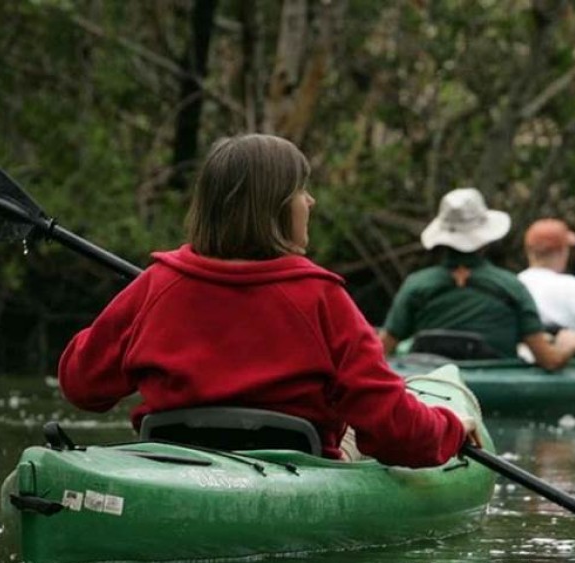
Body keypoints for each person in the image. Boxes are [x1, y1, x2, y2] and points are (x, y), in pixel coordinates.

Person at [57, 133, 477, 468]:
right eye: (301, 191)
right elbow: (396, 432)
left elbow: (81, 385)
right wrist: (450, 429)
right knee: (358, 434)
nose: (310, 202)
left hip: (176, 466)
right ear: (275, 209)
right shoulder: (322, 298)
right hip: (297, 472)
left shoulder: (157, 284)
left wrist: (135, 309)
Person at [379, 188, 575, 369]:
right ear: (485, 239)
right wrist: (568, 345)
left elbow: (380, 353)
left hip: (430, 387)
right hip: (499, 389)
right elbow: (549, 360)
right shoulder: (512, 287)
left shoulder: (416, 286)